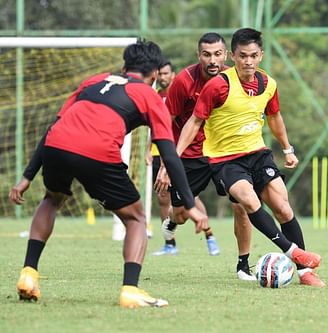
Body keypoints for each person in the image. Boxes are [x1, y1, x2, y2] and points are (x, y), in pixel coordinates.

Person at [9, 40, 208, 308]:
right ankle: (130, 290)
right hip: (96, 150)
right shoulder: (149, 95)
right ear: (154, 75)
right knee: (137, 218)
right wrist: (189, 204)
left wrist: (26, 177)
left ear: (125, 66)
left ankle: (28, 273)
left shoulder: (94, 81)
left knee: (52, 199)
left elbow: (54, 127)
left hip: (56, 145)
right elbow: (169, 153)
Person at [176, 28, 325, 287]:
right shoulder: (218, 86)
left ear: (261, 56)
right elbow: (194, 122)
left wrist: (287, 149)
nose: (248, 61)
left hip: (258, 154)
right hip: (225, 160)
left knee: (283, 206)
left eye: (253, 56)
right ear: (233, 56)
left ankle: (304, 274)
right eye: (242, 55)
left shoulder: (268, 84)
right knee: (248, 199)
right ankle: (295, 254)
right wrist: (173, 158)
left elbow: (275, 117)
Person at [155, 32, 255, 280]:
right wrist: (167, 162)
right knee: (179, 214)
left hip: (225, 153)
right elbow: (165, 123)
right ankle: (172, 221)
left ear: (226, 55)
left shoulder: (235, 78)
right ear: (198, 55)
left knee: (241, 205)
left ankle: (243, 264)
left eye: (218, 54)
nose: (212, 60)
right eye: (206, 54)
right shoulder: (183, 82)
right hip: (190, 156)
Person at [148, 57, 220, 257]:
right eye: (159, 73)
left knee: (239, 199)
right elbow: (159, 127)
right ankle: (170, 240)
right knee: (172, 206)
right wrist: (151, 152)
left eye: (165, 73)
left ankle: (212, 238)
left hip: (210, 152)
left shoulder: (189, 87)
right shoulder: (157, 95)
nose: (162, 77)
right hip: (175, 154)